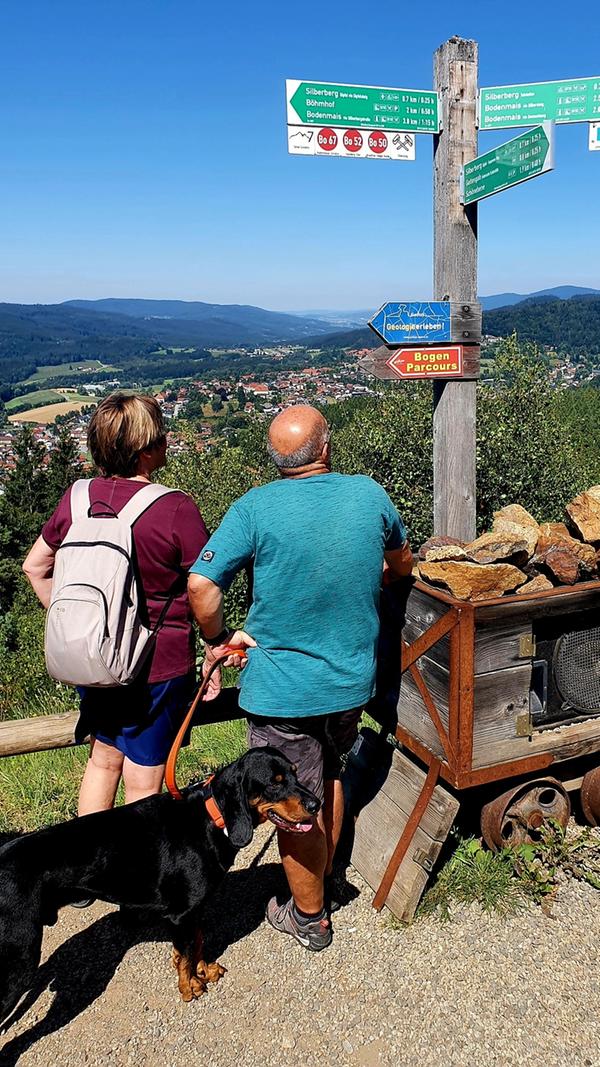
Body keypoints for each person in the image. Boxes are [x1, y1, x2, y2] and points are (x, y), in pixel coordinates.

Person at [187, 404, 413, 951]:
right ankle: (328, 878)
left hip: (283, 692)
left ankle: (309, 917)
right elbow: (401, 564)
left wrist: (217, 640)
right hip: (349, 683)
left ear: (274, 459)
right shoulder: (369, 495)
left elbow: (200, 586)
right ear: (326, 447)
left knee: (294, 798)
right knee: (328, 773)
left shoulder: (255, 507)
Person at [23, 393, 209, 816]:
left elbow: (35, 567)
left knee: (102, 762)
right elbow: (203, 586)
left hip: (97, 659)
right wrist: (214, 642)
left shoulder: (77, 497)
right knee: (144, 782)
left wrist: (78, 625)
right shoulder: (174, 507)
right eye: (160, 433)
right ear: (145, 449)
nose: (166, 439)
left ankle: (91, 873)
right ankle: (134, 881)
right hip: (156, 668)